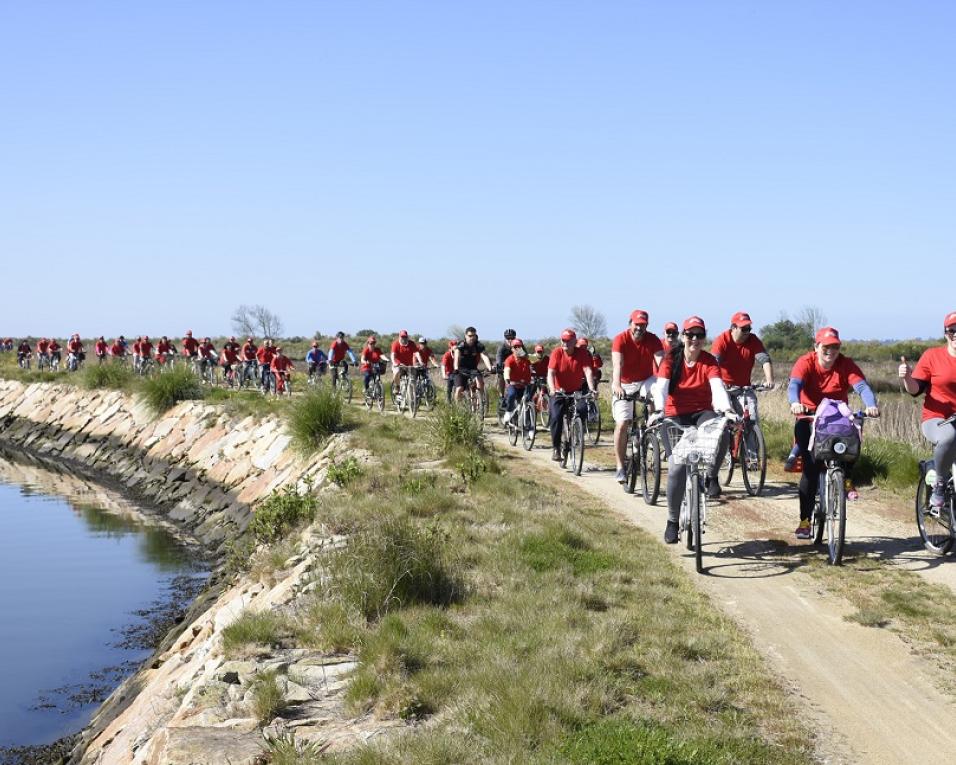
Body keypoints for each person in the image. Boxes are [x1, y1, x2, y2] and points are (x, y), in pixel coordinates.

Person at [788, 327, 879, 539]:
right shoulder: (806, 362)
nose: (831, 350)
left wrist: (871, 405)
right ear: (816, 346)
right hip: (809, 417)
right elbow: (794, 385)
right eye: (826, 346)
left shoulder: (845, 364)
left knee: (854, 432)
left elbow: (862, 387)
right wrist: (795, 403)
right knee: (810, 470)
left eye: (835, 346)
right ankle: (805, 521)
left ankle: (846, 477)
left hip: (836, 419)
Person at [651, 316, 733, 543]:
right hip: (674, 414)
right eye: (690, 335)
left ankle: (711, 476)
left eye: (699, 335)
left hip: (701, 412)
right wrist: (659, 410)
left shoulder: (709, 361)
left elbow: (717, 387)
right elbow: (661, 388)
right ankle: (672, 521)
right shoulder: (671, 359)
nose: (695, 339)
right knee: (677, 467)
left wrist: (725, 409)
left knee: (723, 431)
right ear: (683, 337)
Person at [709, 311, 775, 487]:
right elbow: (714, 363)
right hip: (724, 387)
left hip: (744, 387)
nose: (747, 331)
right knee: (722, 424)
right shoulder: (722, 340)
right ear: (733, 327)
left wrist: (769, 379)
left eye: (749, 328)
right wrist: (716, 384)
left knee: (751, 418)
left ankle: (751, 457)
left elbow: (764, 359)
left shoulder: (753, 340)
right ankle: (718, 458)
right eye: (743, 328)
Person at [899, 311, 956, 509]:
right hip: (937, 419)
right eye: (952, 330)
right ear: (946, 333)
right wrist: (907, 377)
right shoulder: (932, 356)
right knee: (949, 436)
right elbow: (916, 389)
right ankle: (939, 484)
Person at [610, 310, 665, 482]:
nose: (639, 328)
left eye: (643, 325)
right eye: (636, 324)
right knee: (622, 424)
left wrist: (668, 380)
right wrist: (617, 384)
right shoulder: (621, 339)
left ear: (647, 325)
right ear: (630, 324)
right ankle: (620, 467)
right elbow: (617, 364)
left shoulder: (653, 339)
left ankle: (655, 422)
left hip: (645, 380)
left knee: (658, 388)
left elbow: (661, 363)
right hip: (624, 383)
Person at [547, 328, 597, 461]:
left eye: (568, 341)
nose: (565, 343)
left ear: (574, 341)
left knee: (582, 409)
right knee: (556, 417)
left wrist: (591, 388)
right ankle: (556, 447)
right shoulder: (557, 353)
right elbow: (551, 373)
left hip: (576, 391)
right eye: (563, 340)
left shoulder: (582, 353)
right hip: (559, 391)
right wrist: (552, 389)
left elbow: (587, 370)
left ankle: (577, 431)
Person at [454, 327, 493, 403]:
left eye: (474, 335)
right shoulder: (461, 345)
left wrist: (490, 367)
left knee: (480, 382)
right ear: (465, 336)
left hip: (473, 369)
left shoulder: (478, 345)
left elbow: (484, 356)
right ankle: (457, 407)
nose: (472, 338)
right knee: (459, 388)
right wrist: (456, 368)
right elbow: (457, 357)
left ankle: (480, 401)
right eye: (470, 336)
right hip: (461, 369)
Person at [502, 339, 532, 424]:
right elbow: (507, 370)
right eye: (515, 347)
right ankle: (508, 412)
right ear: (512, 349)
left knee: (529, 402)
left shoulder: (526, 359)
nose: (518, 348)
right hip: (513, 384)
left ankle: (530, 426)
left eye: (519, 346)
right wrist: (507, 378)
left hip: (525, 384)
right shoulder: (510, 359)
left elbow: (532, 367)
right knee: (511, 394)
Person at [390, 330, 419, 401]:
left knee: (413, 377)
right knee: (397, 372)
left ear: (407, 337)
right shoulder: (395, 344)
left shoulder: (412, 344)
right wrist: (394, 363)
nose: (404, 338)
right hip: (398, 364)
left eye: (405, 337)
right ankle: (397, 387)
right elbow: (393, 355)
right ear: (399, 337)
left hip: (409, 365)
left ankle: (413, 395)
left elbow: (417, 353)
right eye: (402, 337)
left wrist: (420, 362)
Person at [495, 329, 517, 397]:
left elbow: (525, 356)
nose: (510, 340)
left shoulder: (518, 345)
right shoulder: (501, 347)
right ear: (505, 338)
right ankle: (501, 395)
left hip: (516, 365)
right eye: (508, 338)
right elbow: (499, 359)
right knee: (501, 375)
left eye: (512, 338)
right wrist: (500, 366)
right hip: (505, 366)